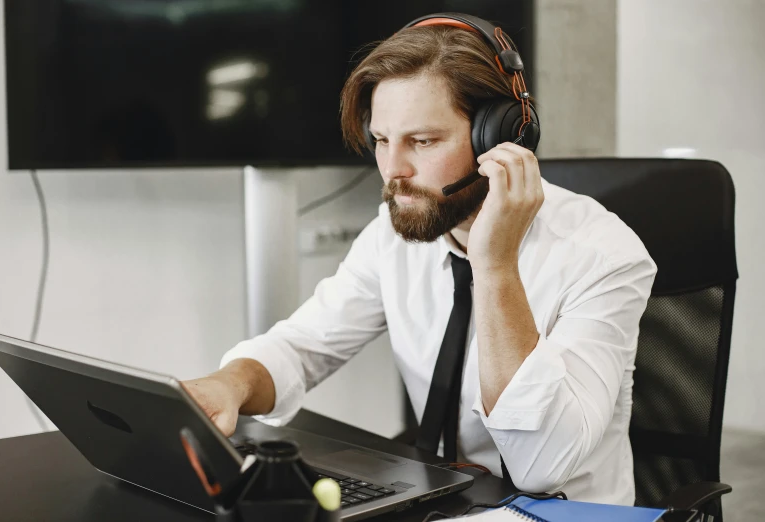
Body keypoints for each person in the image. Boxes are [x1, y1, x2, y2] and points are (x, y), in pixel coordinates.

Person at [182, 14, 657, 506]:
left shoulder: (604, 255)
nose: (392, 170)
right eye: (382, 140)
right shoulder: (392, 234)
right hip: (441, 502)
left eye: (423, 141)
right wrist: (230, 384)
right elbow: (304, 346)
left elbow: (542, 465)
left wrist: (494, 265)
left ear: (497, 137)